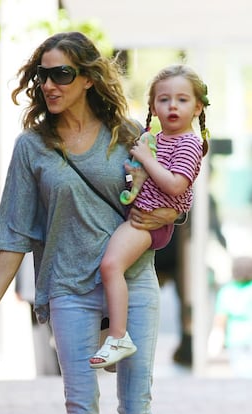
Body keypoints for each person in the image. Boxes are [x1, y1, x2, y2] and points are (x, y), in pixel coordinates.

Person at [0, 31, 179, 414]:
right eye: (43, 75)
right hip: (68, 285)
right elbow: (13, 238)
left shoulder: (130, 137)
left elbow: (171, 203)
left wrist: (156, 215)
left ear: (89, 78)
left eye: (62, 74)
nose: (50, 84)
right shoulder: (32, 148)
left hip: (133, 283)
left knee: (136, 411)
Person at [90, 64, 210, 369]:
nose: (172, 106)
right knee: (109, 267)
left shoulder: (189, 143)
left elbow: (175, 184)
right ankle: (112, 332)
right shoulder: (156, 138)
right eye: (164, 99)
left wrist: (145, 158)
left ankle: (118, 335)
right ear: (153, 107)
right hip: (141, 215)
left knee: (110, 265)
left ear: (197, 107)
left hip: (147, 223)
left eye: (182, 100)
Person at [208, 256, 252, 377]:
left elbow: (220, 320)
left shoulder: (227, 292)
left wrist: (215, 342)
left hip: (235, 340)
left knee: (241, 373)